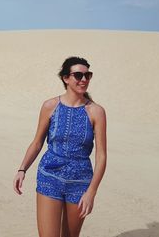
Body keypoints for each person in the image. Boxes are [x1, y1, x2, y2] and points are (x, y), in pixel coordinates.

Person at [13, 56, 107, 237]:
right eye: (78, 75)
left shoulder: (96, 111)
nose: (84, 80)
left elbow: (101, 156)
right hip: (50, 175)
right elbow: (37, 142)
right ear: (66, 78)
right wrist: (22, 169)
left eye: (88, 75)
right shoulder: (50, 106)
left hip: (80, 182)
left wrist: (91, 192)